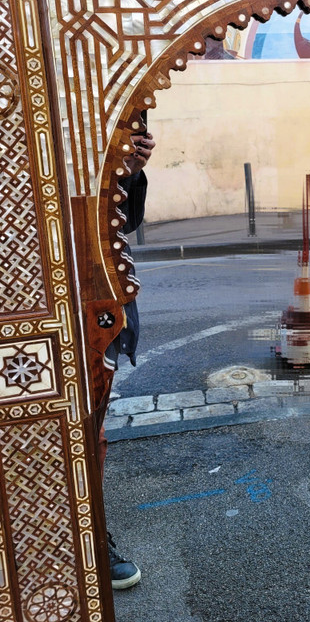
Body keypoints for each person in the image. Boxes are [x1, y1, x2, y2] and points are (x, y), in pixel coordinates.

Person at [96, 120, 155, 590]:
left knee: (88, 430)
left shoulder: (72, 120)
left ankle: (88, 534)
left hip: (96, 302)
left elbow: (123, 223)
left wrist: (128, 172)